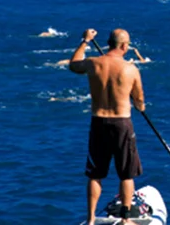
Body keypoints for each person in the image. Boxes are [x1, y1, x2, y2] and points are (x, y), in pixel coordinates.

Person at [69, 29, 145, 225]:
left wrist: (85, 41)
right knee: (126, 174)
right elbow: (139, 101)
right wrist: (139, 105)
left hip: (98, 123)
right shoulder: (131, 69)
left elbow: (73, 65)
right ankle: (125, 221)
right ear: (124, 46)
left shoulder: (94, 63)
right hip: (121, 124)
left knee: (95, 175)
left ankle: (91, 219)